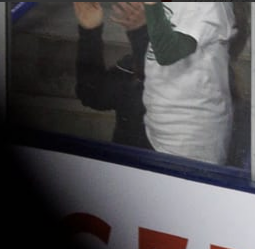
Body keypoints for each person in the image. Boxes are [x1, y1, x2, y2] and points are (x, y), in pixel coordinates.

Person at [140, 1, 235, 164]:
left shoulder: (207, 5)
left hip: (190, 139)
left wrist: (151, 4)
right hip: (159, 127)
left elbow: (167, 52)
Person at [74, 2, 153, 149]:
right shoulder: (130, 66)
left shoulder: (200, 66)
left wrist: (141, 34)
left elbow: (160, 85)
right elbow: (92, 95)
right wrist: (90, 31)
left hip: (170, 167)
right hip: (124, 165)